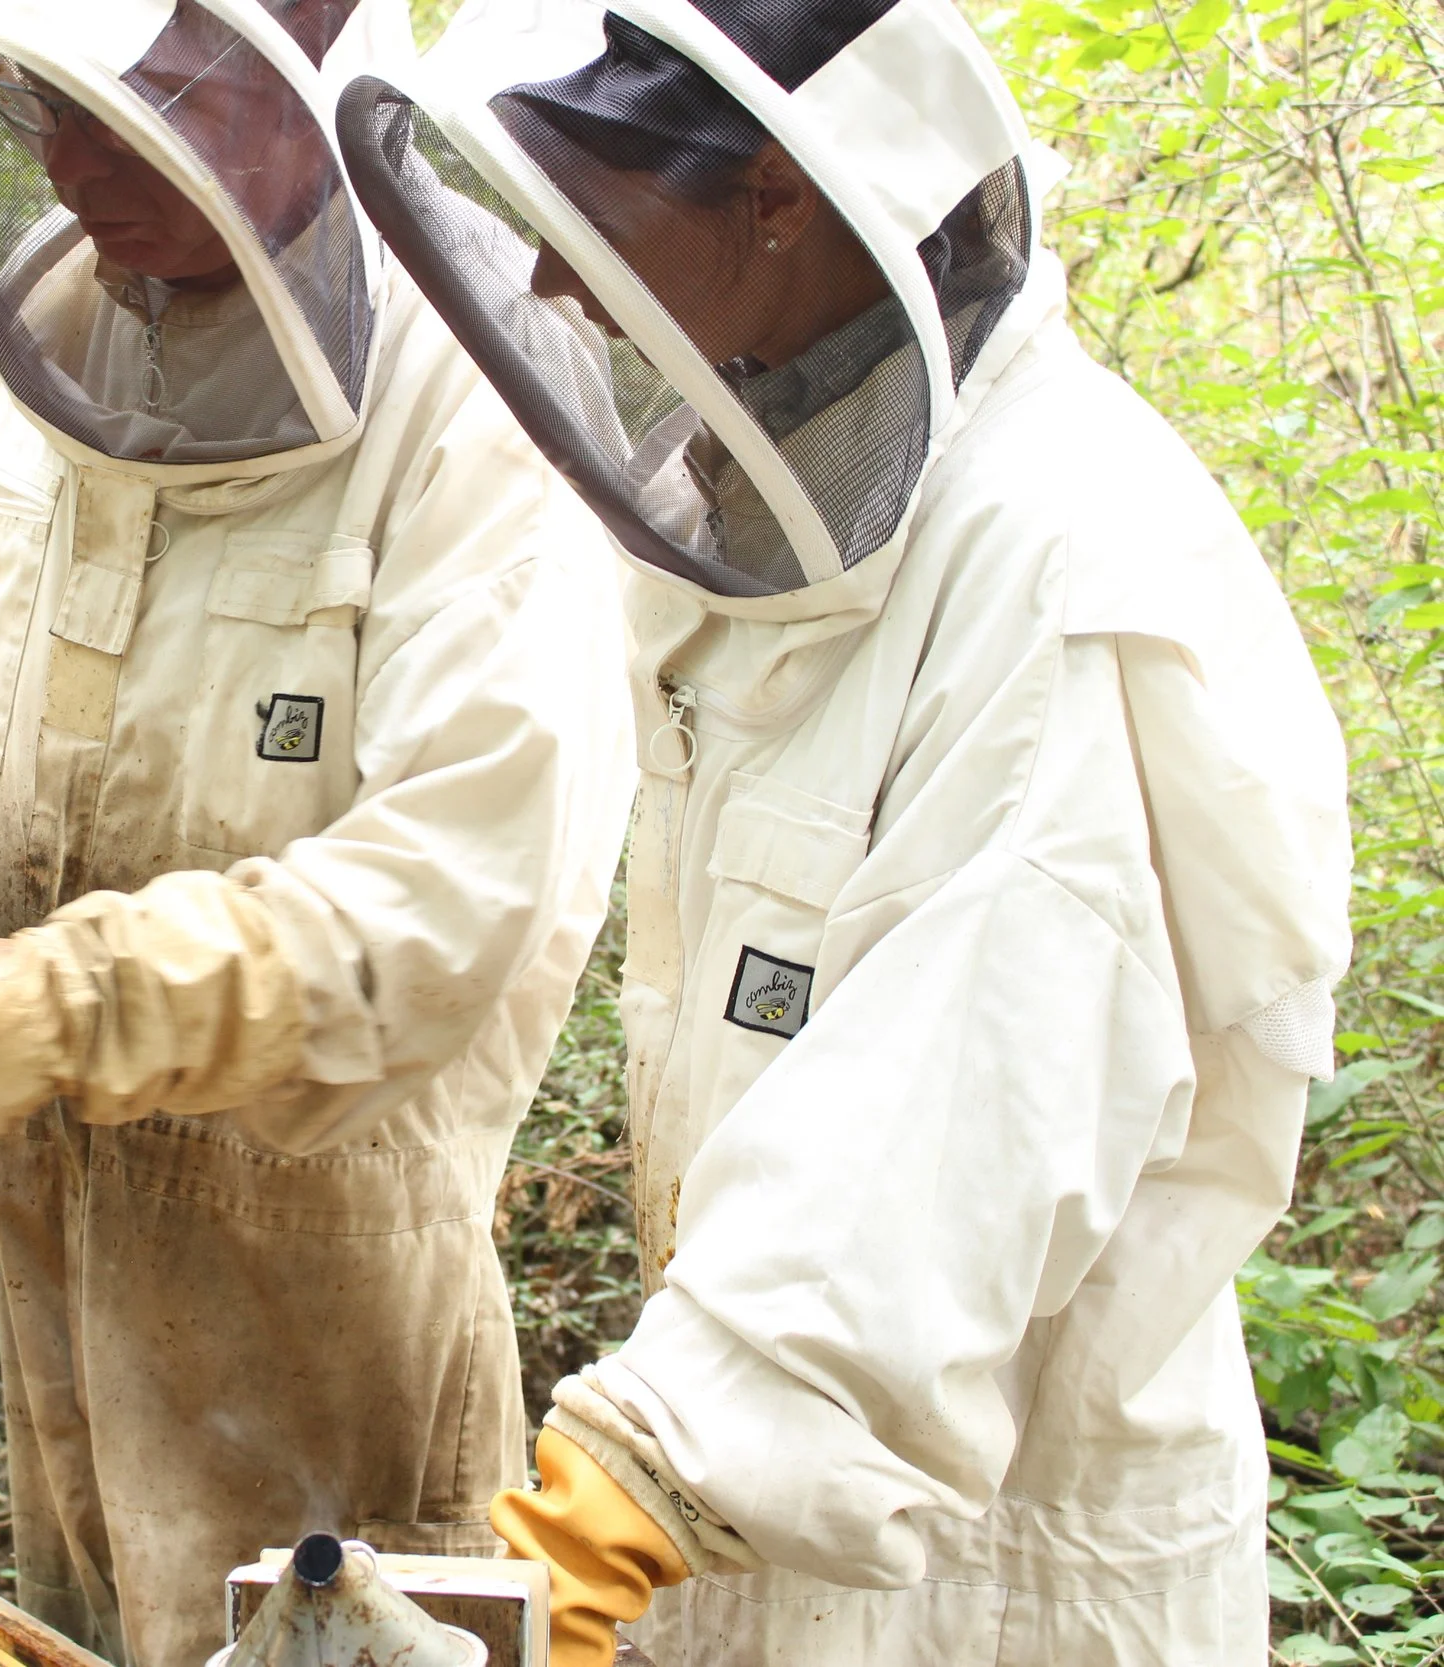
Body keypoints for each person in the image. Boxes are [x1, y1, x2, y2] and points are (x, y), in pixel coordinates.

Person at [331, 1, 1354, 1661]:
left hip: (1000, 1585)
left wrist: (613, 1504)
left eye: (592, 211)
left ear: (781, 193)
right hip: (761, 1513)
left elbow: (943, 1134)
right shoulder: (786, 487)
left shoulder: (1065, 569)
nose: (560, 284)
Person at [0, 4, 635, 1662]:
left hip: (332, 1291)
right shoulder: (50, 307)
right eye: (44, 101)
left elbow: (454, 900)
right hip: (62, 1256)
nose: (70, 159)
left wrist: (80, 1003)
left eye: (136, 108)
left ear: (310, 57)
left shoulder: (479, 401)